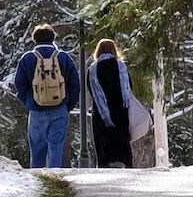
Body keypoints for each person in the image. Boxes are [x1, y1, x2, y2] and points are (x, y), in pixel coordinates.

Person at [13, 24, 81, 168]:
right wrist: (67, 105)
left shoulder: (28, 58)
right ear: (53, 39)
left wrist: (29, 103)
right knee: (56, 146)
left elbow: (19, 84)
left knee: (37, 149)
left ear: (34, 39)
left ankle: (38, 181)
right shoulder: (63, 57)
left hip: (37, 110)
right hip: (60, 108)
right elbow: (75, 84)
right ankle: (54, 177)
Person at [87, 38, 146, 168]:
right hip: (121, 107)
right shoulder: (120, 66)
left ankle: (105, 163)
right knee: (121, 138)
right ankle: (122, 161)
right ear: (114, 50)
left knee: (103, 139)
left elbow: (92, 90)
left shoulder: (93, 69)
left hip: (101, 111)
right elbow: (128, 87)